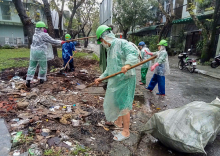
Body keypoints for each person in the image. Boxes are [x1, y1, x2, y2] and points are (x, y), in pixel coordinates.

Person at [94, 25, 139, 141]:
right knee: (116, 101)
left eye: (101, 41)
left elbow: (133, 52)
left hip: (126, 79)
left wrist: (128, 65)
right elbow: (109, 69)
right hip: (117, 80)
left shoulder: (121, 43)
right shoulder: (109, 50)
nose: (102, 43)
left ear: (106, 37)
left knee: (124, 105)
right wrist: (100, 78)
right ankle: (119, 124)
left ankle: (126, 131)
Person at [26, 21, 64, 88]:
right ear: (41, 28)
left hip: (33, 52)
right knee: (43, 66)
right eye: (43, 28)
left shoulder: (35, 35)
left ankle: (28, 80)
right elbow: (53, 41)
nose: (44, 29)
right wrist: (61, 42)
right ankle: (41, 79)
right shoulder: (44, 35)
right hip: (41, 52)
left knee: (32, 66)